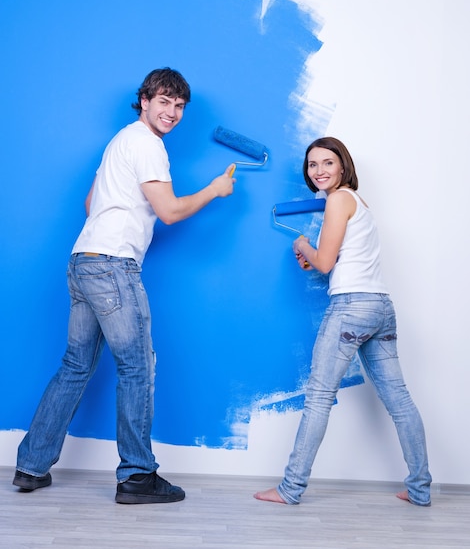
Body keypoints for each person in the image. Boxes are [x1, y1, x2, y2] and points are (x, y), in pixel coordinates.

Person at [13, 67, 235, 504]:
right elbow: (169, 211)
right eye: (164, 101)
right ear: (145, 101)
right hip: (113, 266)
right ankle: (137, 476)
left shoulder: (120, 141)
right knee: (138, 367)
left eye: (179, 105)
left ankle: (31, 466)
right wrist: (214, 189)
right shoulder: (149, 145)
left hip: (83, 260)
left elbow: (90, 202)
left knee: (76, 367)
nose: (172, 112)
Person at [254, 136, 431, 507]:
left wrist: (303, 246)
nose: (319, 171)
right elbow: (335, 259)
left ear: (343, 165)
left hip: (351, 308)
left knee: (318, 398)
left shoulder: (337, 199)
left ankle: (290, 489)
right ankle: (419, 489)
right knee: (399, 400)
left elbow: (324, 263)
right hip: (381, 307)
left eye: (327, 163)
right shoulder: (358, 203)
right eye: (312, 164)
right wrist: (315, 255)